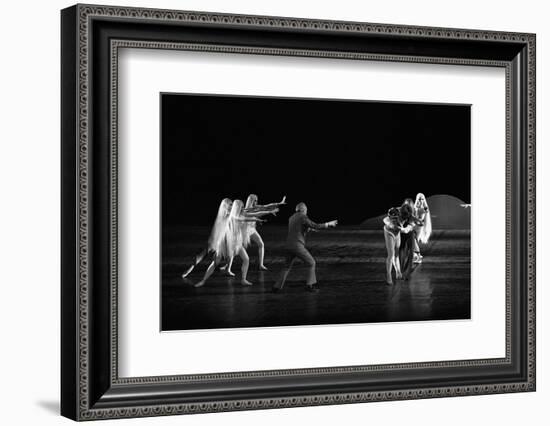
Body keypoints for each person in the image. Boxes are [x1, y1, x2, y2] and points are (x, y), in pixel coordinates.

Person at [194, 200, 270, 287]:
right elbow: (241, 218)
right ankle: (203, 281)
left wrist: (268, 212)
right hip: (225, 242)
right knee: (215, 262)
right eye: (241, 207)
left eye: (242, 207)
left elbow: (254, 213)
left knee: (246, 259)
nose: (242, 209)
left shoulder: (240, 214)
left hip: (236, 242)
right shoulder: (231, 216)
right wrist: (254, 219)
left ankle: (243, 279)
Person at [272, 202, 337, 293]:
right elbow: (315, 225)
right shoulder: (302, 216)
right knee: (311, 263)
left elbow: (298, 228)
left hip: (288, 245)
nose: (306, 212)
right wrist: (328, 224)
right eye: (306, 210)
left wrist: (311, 228)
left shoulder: (291, 218)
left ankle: (276, 287)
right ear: (303, 210)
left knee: (286, 267)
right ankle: (309, 285)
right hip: (297, 246)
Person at [221, 194, 286, 275]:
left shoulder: (256, 206)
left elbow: (266, 206)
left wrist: (279, 203)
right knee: (236, 250)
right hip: (245, 231)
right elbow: (257, 213)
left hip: (252, 230)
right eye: (254, 200)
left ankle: (261, 264)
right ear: (250, 200)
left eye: (256, 200)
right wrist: (268, 212)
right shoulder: (246, 209)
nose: (256, 202)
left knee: (261, 244)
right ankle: (227, 266)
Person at [181, 198, 232, 279]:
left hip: (221, 241)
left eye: (232, 205)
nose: (231, 206)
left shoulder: (225, 215)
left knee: (228, 254)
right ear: (226, 206)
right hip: (216, 242)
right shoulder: (224, 216)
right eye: (230, 205)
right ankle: (189, 269)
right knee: (202, 255)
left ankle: (227, 268)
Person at [398, 199, 423, 280]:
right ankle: (401, 271)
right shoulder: (399, 211)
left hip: (409, 233)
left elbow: (419, 223)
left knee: (410, 252)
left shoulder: (411, 215)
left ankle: (406, 272)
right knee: (402, 249)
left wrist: (418, 222)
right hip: (402, 234)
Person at [383, 207, 402, 285]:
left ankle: (398, 270)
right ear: (389, 217)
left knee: (397, 254)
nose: (394, 220)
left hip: (397, 234)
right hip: (389, 233)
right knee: (391, 255)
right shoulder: (387, 220)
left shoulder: (400, 218)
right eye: (392, 218)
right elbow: (388, 223)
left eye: (396, 218)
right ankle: (389, 275)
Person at [413, 193, 432, 263]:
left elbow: (420, 218)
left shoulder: (424, 208)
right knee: (415, 240)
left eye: (422, 199)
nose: (420, 200)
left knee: (414, 240)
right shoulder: (416, 207)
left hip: (418, 226)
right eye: (419, 199)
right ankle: (415, 254)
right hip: (414, 225)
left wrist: (417, 210)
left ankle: (417, 255)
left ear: (424, 200)